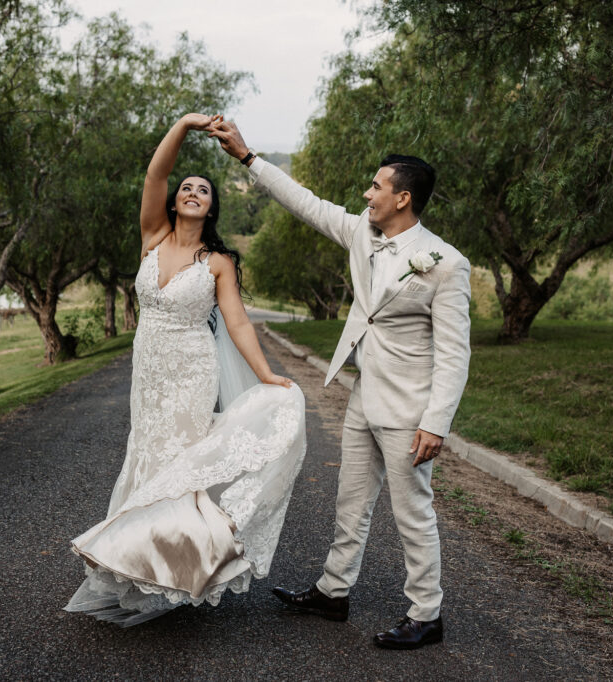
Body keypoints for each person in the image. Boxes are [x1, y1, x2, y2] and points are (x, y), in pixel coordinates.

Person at [209, 120, 471, 650]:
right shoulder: (361, 233)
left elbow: (455, 353)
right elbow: (304, 202)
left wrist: (435, 423)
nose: (366, 194)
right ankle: (333, 592)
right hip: (362, 399)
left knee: (412, 512)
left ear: (402, 197)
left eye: (376, 187)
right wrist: (247, 158)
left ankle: (427, 614)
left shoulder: (446, 264)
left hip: (409, 412)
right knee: (350, 503)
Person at [64, 114, 307, 626]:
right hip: (148, 369)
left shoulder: (218, 261)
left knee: (180, 465)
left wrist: (265, 374)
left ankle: (178, 564)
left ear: (212, 205)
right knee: (147, 454)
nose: (193, 192)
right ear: (174, 201)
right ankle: (139, 565)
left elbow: (237, 322)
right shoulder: (152, 236)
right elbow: (155, 174)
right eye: (187, 188)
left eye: (204, 189)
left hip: (192, 373)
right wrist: (183, 125)